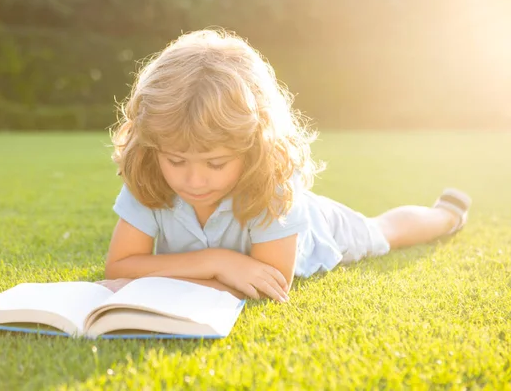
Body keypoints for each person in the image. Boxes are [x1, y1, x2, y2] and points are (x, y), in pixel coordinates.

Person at [96, 29, 471, 302]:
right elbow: (120, 267)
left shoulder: (272, 185)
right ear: (152, 146)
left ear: (253, 145)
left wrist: (161, 276)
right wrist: (219, 262)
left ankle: (446, 216)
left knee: (383, 232)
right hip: (233, 254)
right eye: (176, 160)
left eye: (215, 162)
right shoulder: (148, 177)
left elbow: (270, 282)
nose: (193, 180)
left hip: (318, 231)